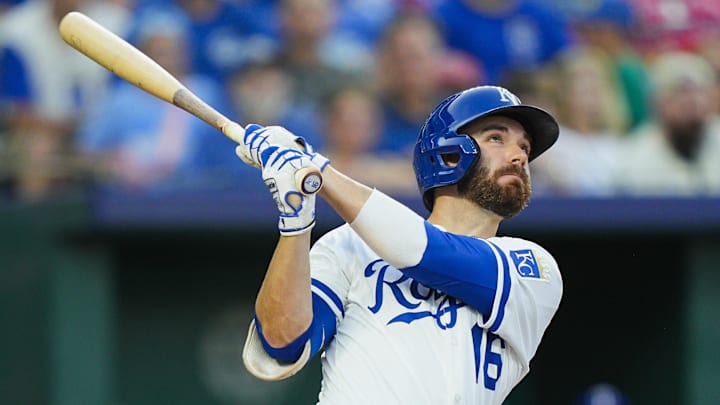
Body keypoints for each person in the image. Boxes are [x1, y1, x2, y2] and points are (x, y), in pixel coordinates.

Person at [235, 85, 563, 404]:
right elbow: (284, 342)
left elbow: (425, 252)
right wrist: (296, 220)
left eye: (525, 147)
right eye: (496, 138)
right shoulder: (350, 243)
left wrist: (316, 167)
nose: (519, 156)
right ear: (448, 154)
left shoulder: (533, 268)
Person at [615, 51, 720, 196]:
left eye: (700, 91)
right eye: (681, 91)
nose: (693, 100)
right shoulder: (634, 156)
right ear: (658, 102)